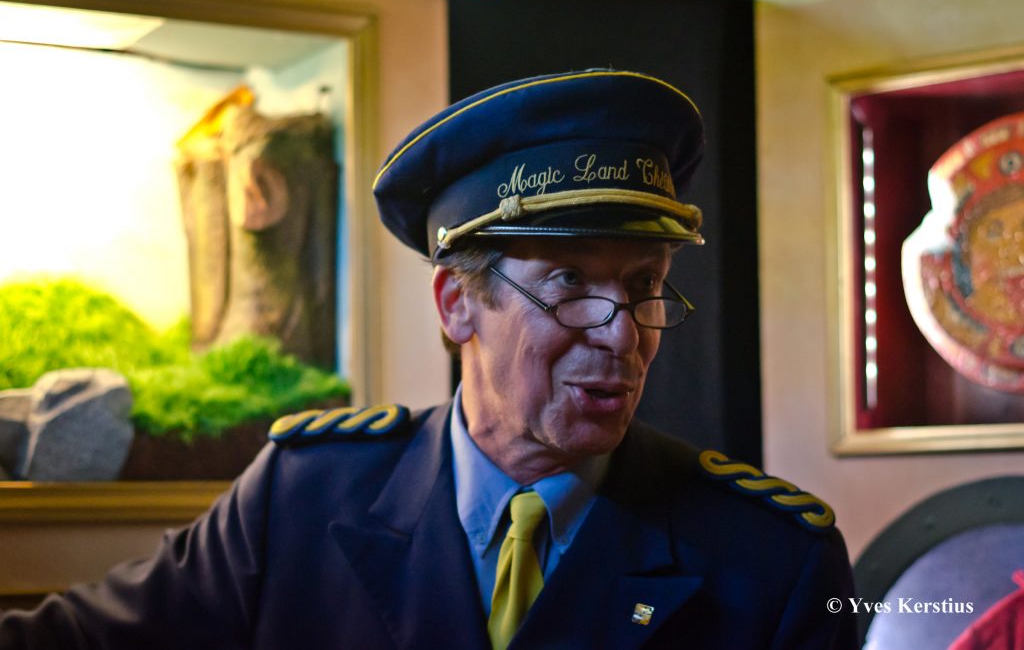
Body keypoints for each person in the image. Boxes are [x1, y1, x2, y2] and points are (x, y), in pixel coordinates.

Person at [0, 69, 857, 649]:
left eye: (643, 285)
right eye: (568, 283)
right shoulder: (300, 499)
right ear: (456, 304)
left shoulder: (769, 560)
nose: (622, 334)